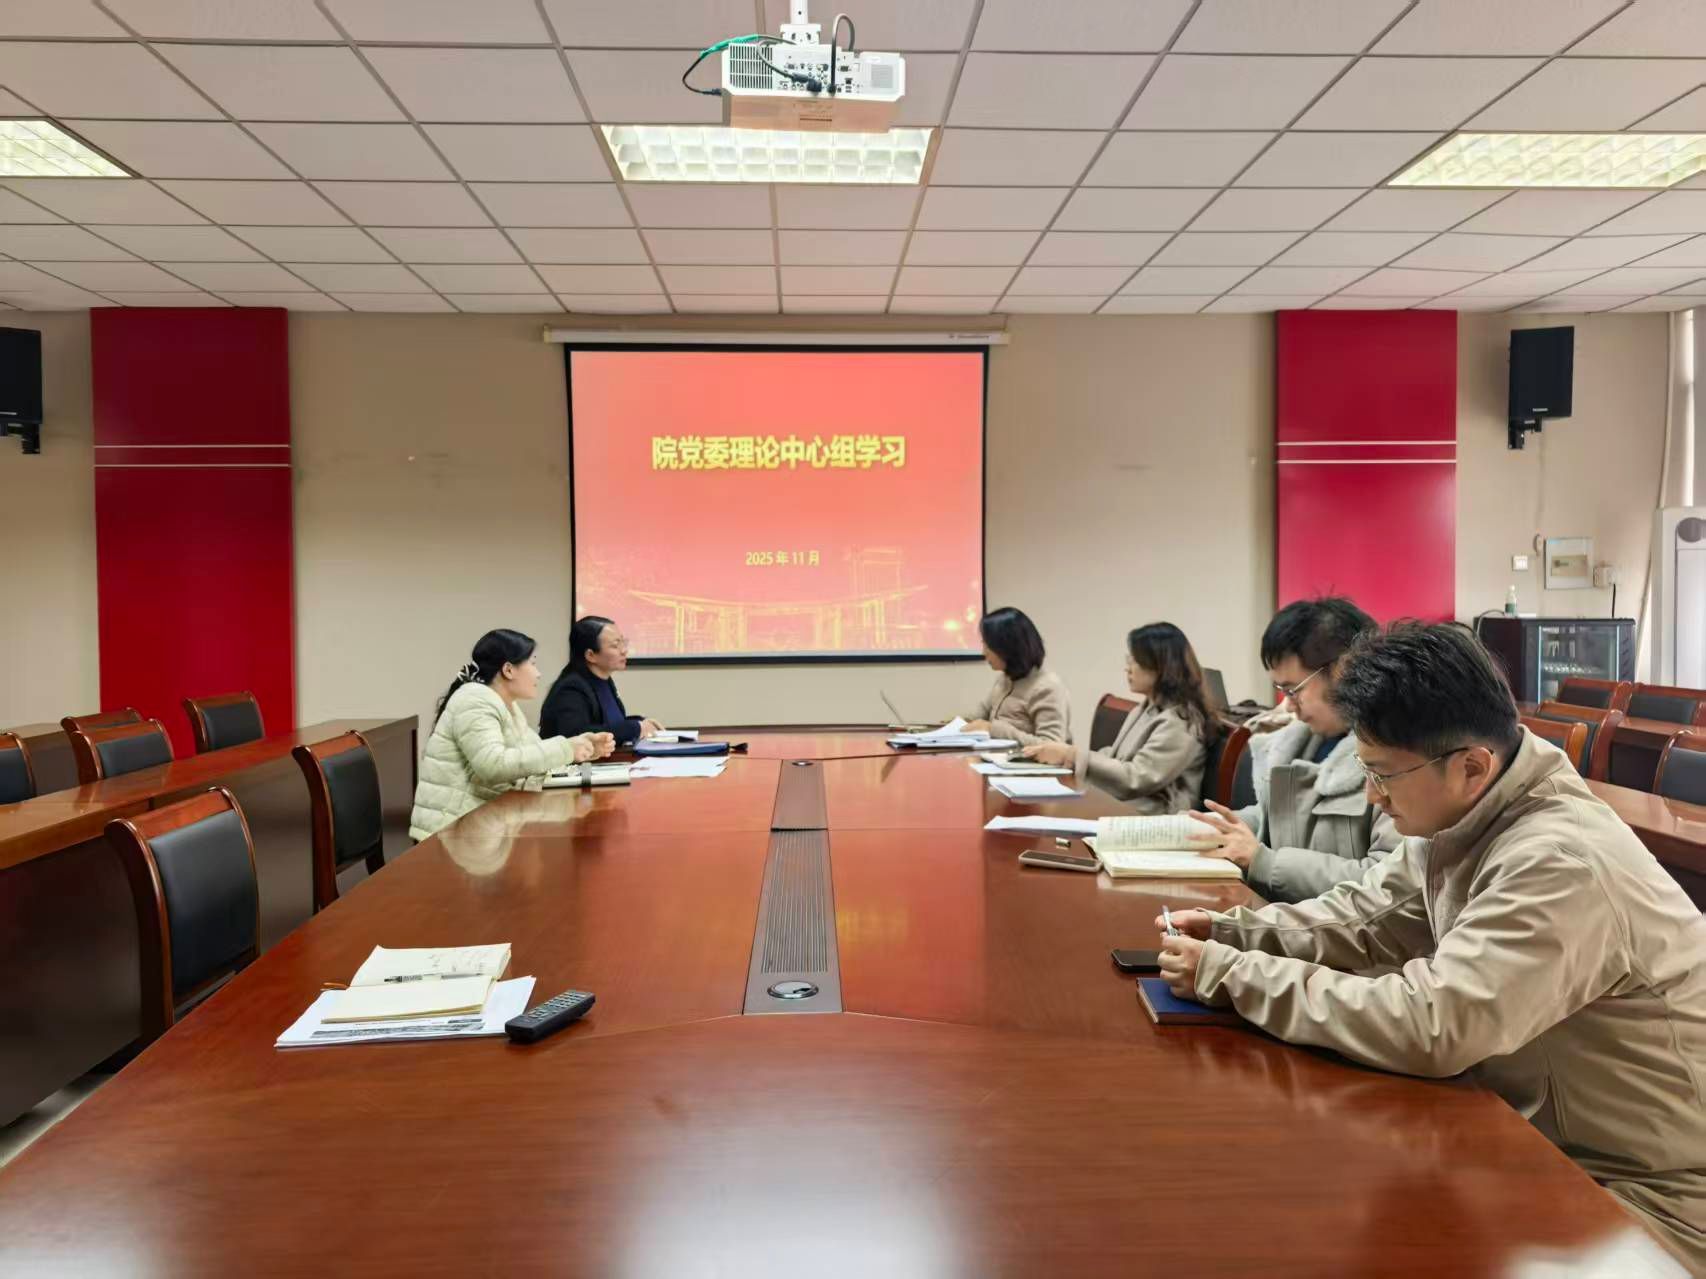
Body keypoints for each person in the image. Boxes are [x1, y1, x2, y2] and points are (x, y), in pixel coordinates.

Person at [1156, 622, 1706, 1272]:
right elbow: (1370, 918)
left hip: (1645, 1196)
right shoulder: (1467, 812)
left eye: (1383, 773)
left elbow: (1436, 1022)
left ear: (1471, 766)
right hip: (1532, 1145)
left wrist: (1237, 976)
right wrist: (1234, 932)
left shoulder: (1559, 861)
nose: (1372, 794)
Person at [1188, 596, 1398, 904]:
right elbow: (1273, 818)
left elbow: (1388, 883)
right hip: (1289, 918)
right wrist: (1217, 829)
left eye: (1294, 690)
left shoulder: (1397, 759)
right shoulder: (1301, 743)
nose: (1288, 706)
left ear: (1342, 671)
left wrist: (1264, 861)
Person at [410, 629, 613, 841]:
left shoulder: (506, 705)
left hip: (478, 830)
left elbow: (535, 760)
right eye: (533, 663)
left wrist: (583, 749)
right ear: (508, 670)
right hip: (448, 836)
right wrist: (567, 748)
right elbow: (493, 765)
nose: (538, 673)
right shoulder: (475, 701)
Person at [1022, 622, 1210, 813]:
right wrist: (1068, 756)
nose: (1128, 669)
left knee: (1054, 810)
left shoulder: (1181, 721)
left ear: (1161, 667)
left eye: (1135, 661)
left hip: (1155, 818)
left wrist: (1071, 754)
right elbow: (1115, 756)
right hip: (1129, 806)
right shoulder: (1147, 708)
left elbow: (1136, 779)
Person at [539, 615, 662, 745]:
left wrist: (641, 722)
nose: (624, 651)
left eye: (623, 642)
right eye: (615, 646)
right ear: (591, 655)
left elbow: (610, 723)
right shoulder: (571, 689)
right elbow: (576, 734)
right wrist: (635, 728)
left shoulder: (604, 680)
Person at [962, 606, 1071, 747]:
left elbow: (1052, 748)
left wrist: (994, 730)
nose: (983, 653)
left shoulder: (1047, 688)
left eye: (987, 646)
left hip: (1025, 761)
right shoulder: (1005, 678)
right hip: (997, 758)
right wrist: (958, 724)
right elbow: (980, 716)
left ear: (1007, 646)